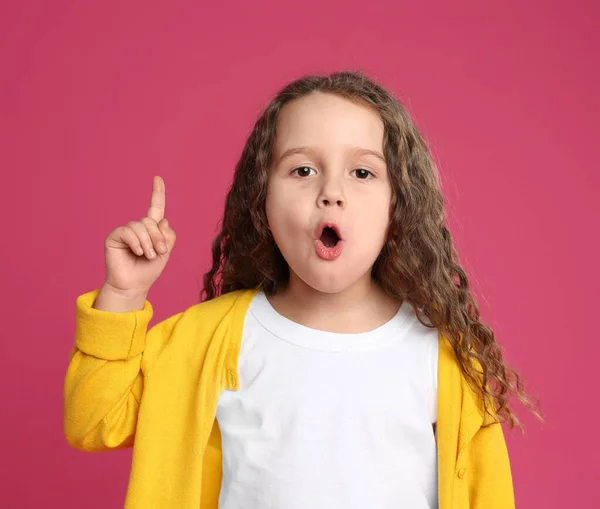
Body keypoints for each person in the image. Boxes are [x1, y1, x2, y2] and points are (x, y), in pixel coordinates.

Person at [64, 71, 540, 509]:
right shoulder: (208, 339)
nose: (331, 192)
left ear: (398, 210)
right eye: (302, 170)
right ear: (263, 204)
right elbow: (93, 422)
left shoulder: (443, 356)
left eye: (362, 172)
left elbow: (487, 494)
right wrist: (123, 295)